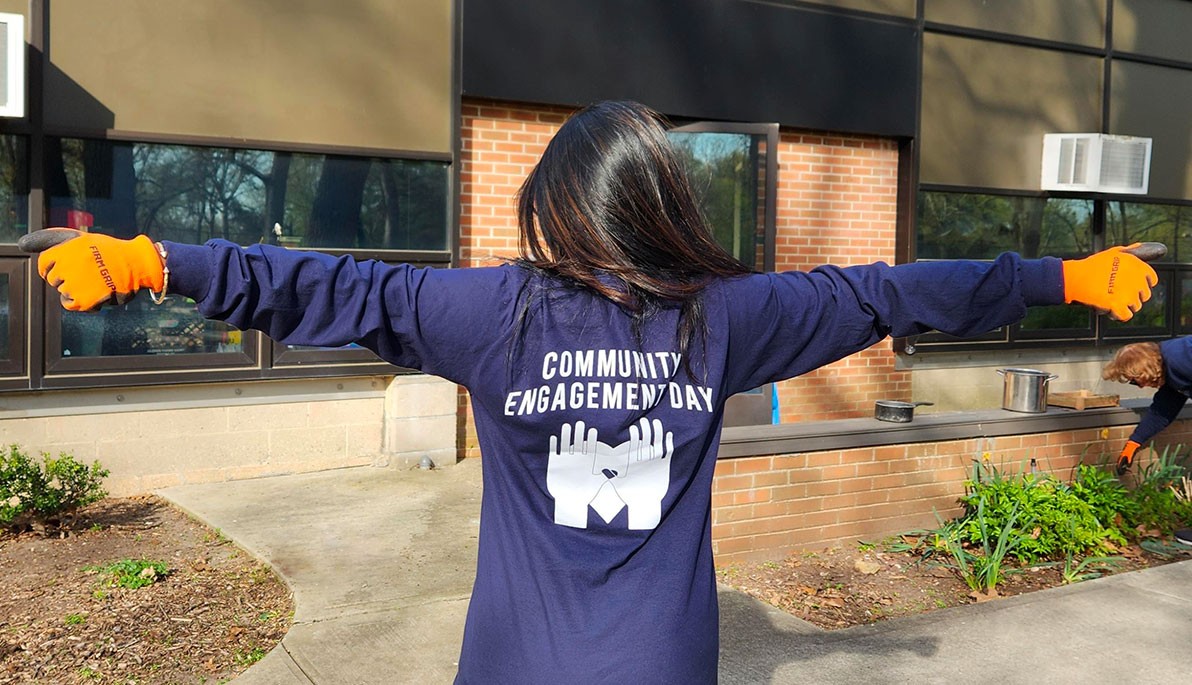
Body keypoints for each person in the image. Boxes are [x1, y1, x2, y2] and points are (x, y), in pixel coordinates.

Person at [24, 101, 1158, 684]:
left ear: (556, 210)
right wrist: (1054, 272)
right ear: (658, 203)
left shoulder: (488, 315)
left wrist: (158, 261)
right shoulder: (726, 318)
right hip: (659, 665)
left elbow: (334, 285)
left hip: (514, 661)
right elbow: (880, 292)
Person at [1102, 340, 1192, 546]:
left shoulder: (1183, 358)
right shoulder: (1172, 369)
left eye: (1135, 380)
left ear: (1145, 368)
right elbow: (1163, 410)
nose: (1140, 386)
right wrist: (1134, 443)